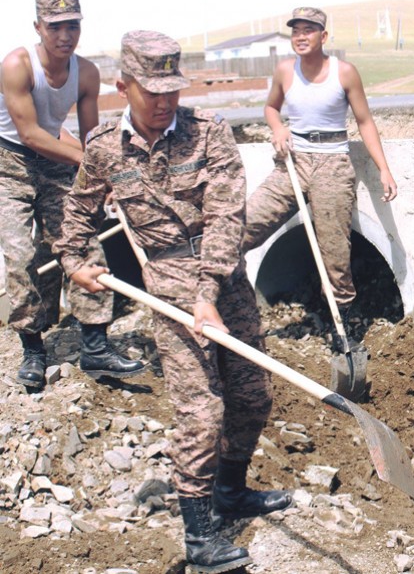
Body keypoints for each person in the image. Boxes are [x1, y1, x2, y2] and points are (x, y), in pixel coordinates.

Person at [55, 30, 293, 573]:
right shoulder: (104, 151)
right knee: (201, 410)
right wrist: (75, 263)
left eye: (172, 91)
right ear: (124, 86)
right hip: (163, 285)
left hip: (224, 277)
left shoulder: (209, 133)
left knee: (253, 397)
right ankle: (198, 537)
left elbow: (228, 217)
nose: (164, 104)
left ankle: (231, 492)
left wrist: (208, 292)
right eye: (151, 92)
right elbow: (77, 214)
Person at [0, 0, 144, 390]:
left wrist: (103, 178)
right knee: (20, 254)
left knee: (81, 241)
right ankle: (33, 346)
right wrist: (89, 163)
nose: (65, 35)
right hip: (8, 165)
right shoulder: (16, 65)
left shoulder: (86, 73)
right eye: (55, 26)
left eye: (73, 26)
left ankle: (95, 344)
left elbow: (91, 137)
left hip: (58, 162)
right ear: (38, 28)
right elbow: (29, 134)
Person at [243, 6, 398, 350]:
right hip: (293, 163)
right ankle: (229, 307)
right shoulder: (285, 70)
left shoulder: (344, 73)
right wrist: (278, 127)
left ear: (323, 36)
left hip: (333, 165)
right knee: (244, 227)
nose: (300, 36)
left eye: (308, 30)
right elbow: (271, 107)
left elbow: (364, 121)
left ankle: (346, 328)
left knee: (334, 255)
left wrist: (384, 169)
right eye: (295, 30)